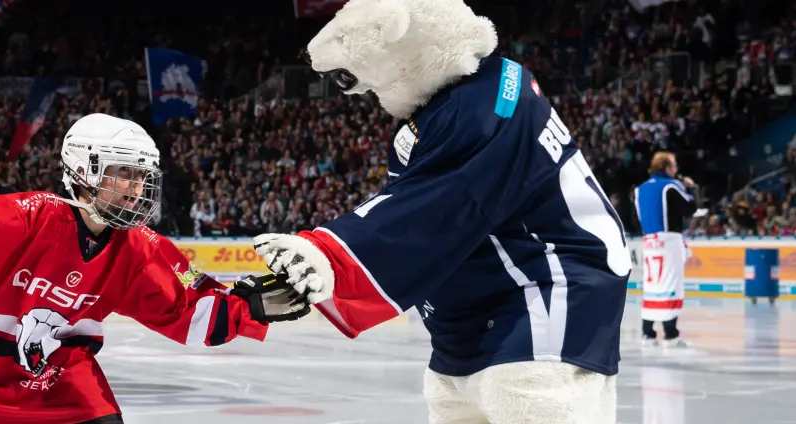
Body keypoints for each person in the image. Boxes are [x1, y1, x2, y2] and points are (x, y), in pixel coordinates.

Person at [254, 1, 628, 422]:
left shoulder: (483, 107)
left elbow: (433, 207)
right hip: (486, 306)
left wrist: (330, 257)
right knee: (458, 400)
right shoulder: (462, 99)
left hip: (544, 292)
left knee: (526, 396)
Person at [0, 113, 305, 424]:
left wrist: (249, 308)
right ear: (85, 171)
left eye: (140, 177)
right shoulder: (27, 216)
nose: (135, 188)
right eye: (124, 173)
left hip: (72, 395)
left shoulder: (139, 247)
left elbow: (187, 307)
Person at [634, 152, 697, 348]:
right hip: (669, 241)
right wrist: (691, 188)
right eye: (674, 165)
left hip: (649, 241)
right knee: (671, 284)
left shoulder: (640, 189)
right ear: (666, 167)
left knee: (652, 286)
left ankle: (648, 332)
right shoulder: (671, 186)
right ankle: (671, 334)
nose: (676, 169)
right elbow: (690, 208)